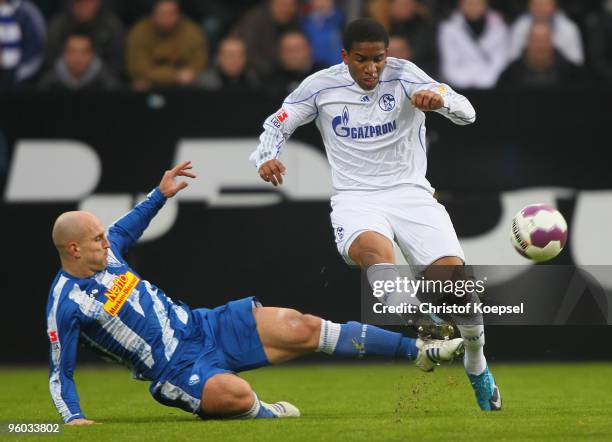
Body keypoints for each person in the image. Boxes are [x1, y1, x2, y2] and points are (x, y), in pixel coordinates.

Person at [47, 161, 464, 425]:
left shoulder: (112, 250)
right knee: (236, 396)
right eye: (97, 238)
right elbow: (60, 371)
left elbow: (130, 225)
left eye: (104, 235)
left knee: (303, 326)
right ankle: (263, 412)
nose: (106, 241)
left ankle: (420, 350)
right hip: (173, 370)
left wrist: (161, 194)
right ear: (73, 249)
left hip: (202, 325)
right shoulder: (65, 303)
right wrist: (73, 420)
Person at [250, 18, 501, 411]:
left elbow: (467, 112)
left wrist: (442, 102)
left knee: (454, 284)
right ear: (345, 56)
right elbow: (279, 121)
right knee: (376, 259)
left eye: (379, 59)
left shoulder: (406, 76)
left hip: (411, 193)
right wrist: (267, 156)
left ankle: (475, 360)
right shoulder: (320, 86)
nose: (371, 69)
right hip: (356, 199)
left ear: (388, 55)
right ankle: (427, 327)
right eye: (362, 60)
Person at [126, 0, 207, 90]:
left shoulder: (192, 32)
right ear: (153, 15)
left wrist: (187, 76)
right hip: (151, 83)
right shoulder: (139, 32)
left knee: (203, 81)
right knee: (140, 84)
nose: (167, 18)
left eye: (171, 14)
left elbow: (198, 66)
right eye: (162, 14)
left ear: (179, 14)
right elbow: (139, 69)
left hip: (185, 84)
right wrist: (175, 76)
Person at [438, 0, 510, 89]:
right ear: (461, 4)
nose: (474, 8)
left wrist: (484, 81)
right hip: (458, 89)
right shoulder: (448, 28)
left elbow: (501, 63)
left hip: (492, 88)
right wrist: (469, 83)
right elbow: (449, 67)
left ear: (486, 4)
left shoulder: (499, 27)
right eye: (469, 4)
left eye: (478, 4)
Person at [46, 0, 125, 78]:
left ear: (98, 2)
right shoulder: (58, 27)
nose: (84, 6)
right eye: (79, 2)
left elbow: (116, 63)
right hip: (61, 81)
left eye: (88, 2)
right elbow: (51, 60)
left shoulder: (112, 27)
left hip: (102, 82)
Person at [497, 20, 583, 87]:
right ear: (528, 42)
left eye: (544, 40)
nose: (540, 46)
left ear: (551, 42)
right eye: (536, 40)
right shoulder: (510, 75)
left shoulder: (573, 74)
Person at [38, 30, 119, 91]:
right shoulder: (49, 83)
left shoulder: (108, 84)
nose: (78, 58)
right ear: (64, 54)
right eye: (73, 51)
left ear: (92, 55)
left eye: (84, 52)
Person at [510, 0, 584, 66]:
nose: (541, 9)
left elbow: (576, 61)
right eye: (537, 5)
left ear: (555, 6)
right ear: (529, 5)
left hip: (561, 75)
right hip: (525, 74)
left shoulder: (569, 28)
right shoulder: (519, 27)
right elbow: (511, 60)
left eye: (545, 5)